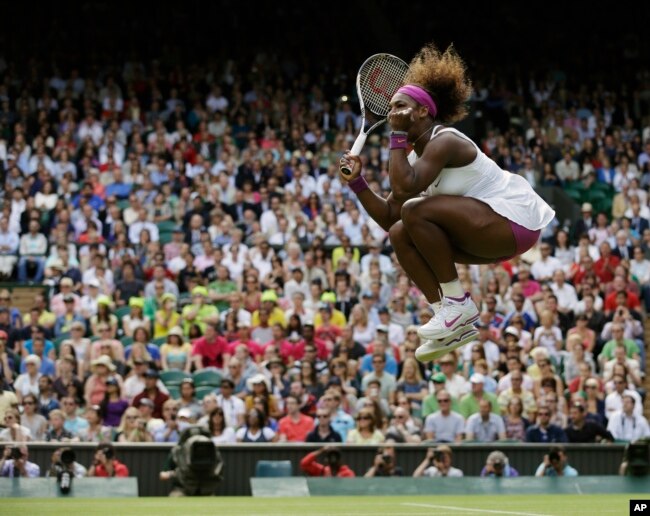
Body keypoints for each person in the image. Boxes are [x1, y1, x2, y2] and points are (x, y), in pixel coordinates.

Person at [339, 43, 554, 362]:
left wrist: (396, 139)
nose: (391, 114)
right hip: (490, 237)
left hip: (514, 222)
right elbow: (389, 217)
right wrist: (357, 183)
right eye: (391, 109)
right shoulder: (414, 156)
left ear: (423, 111)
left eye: (400, 106)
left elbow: (406, 187)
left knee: (414, 210)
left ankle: (457, 304)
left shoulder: (445, 140)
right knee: (400, 232)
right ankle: (451, 319)